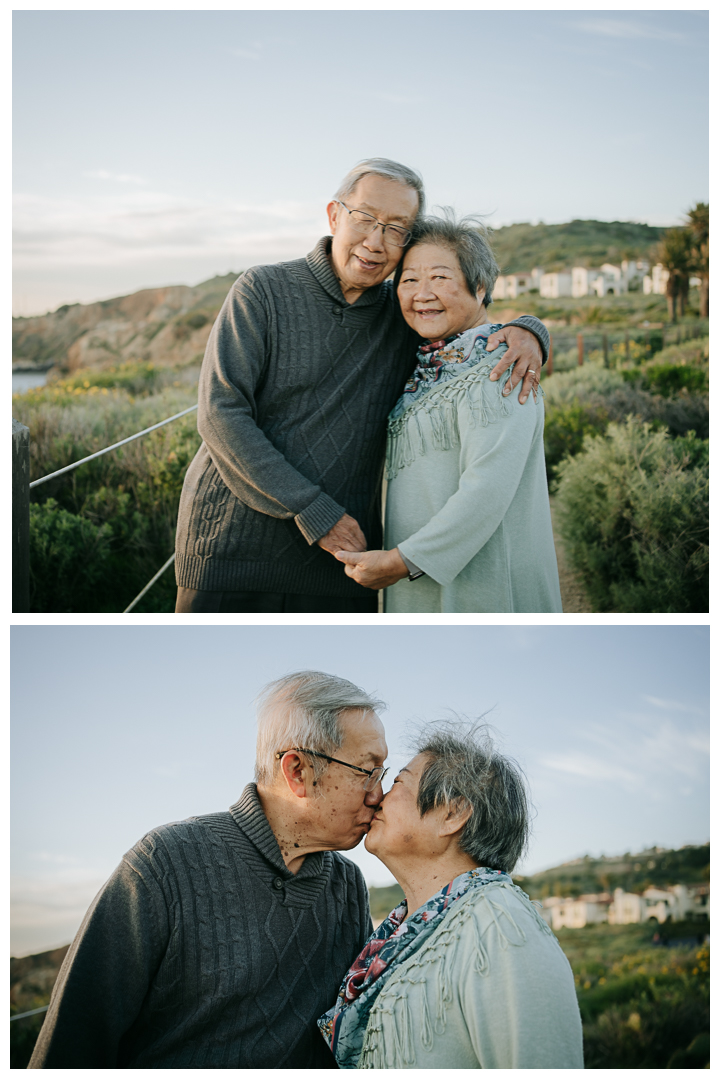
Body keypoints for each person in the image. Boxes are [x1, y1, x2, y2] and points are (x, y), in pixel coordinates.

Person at [174, 159, 550, 613]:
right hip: (235, 552)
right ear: (335, 216)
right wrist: (312, 509)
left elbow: (462, 317)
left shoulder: (402, 312)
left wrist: (529, 331)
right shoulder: (263, 289)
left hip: (345, 565)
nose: (376, 241)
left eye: (396, 229)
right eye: (365, 219)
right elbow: (219, 412)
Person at [29, 671, 391, 1069]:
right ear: (298, 771)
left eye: (382, 773)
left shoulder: (348, 885)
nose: (378, 794)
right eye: (366, 771)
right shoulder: (163, 865)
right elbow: (70, 1048)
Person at [318, 722, 584, 1069]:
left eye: (398, 781)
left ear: (453, 813)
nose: (377, 796)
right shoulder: (400, 936)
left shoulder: (500, 925)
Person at [335, 211, 562, 612]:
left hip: (481, 581)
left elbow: (486, 489)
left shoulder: (500, 367)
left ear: (479, 286)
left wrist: (400, 561)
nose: (421, 293)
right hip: (419, 578)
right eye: (409, 280)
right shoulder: (422, 366)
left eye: (439, 278)